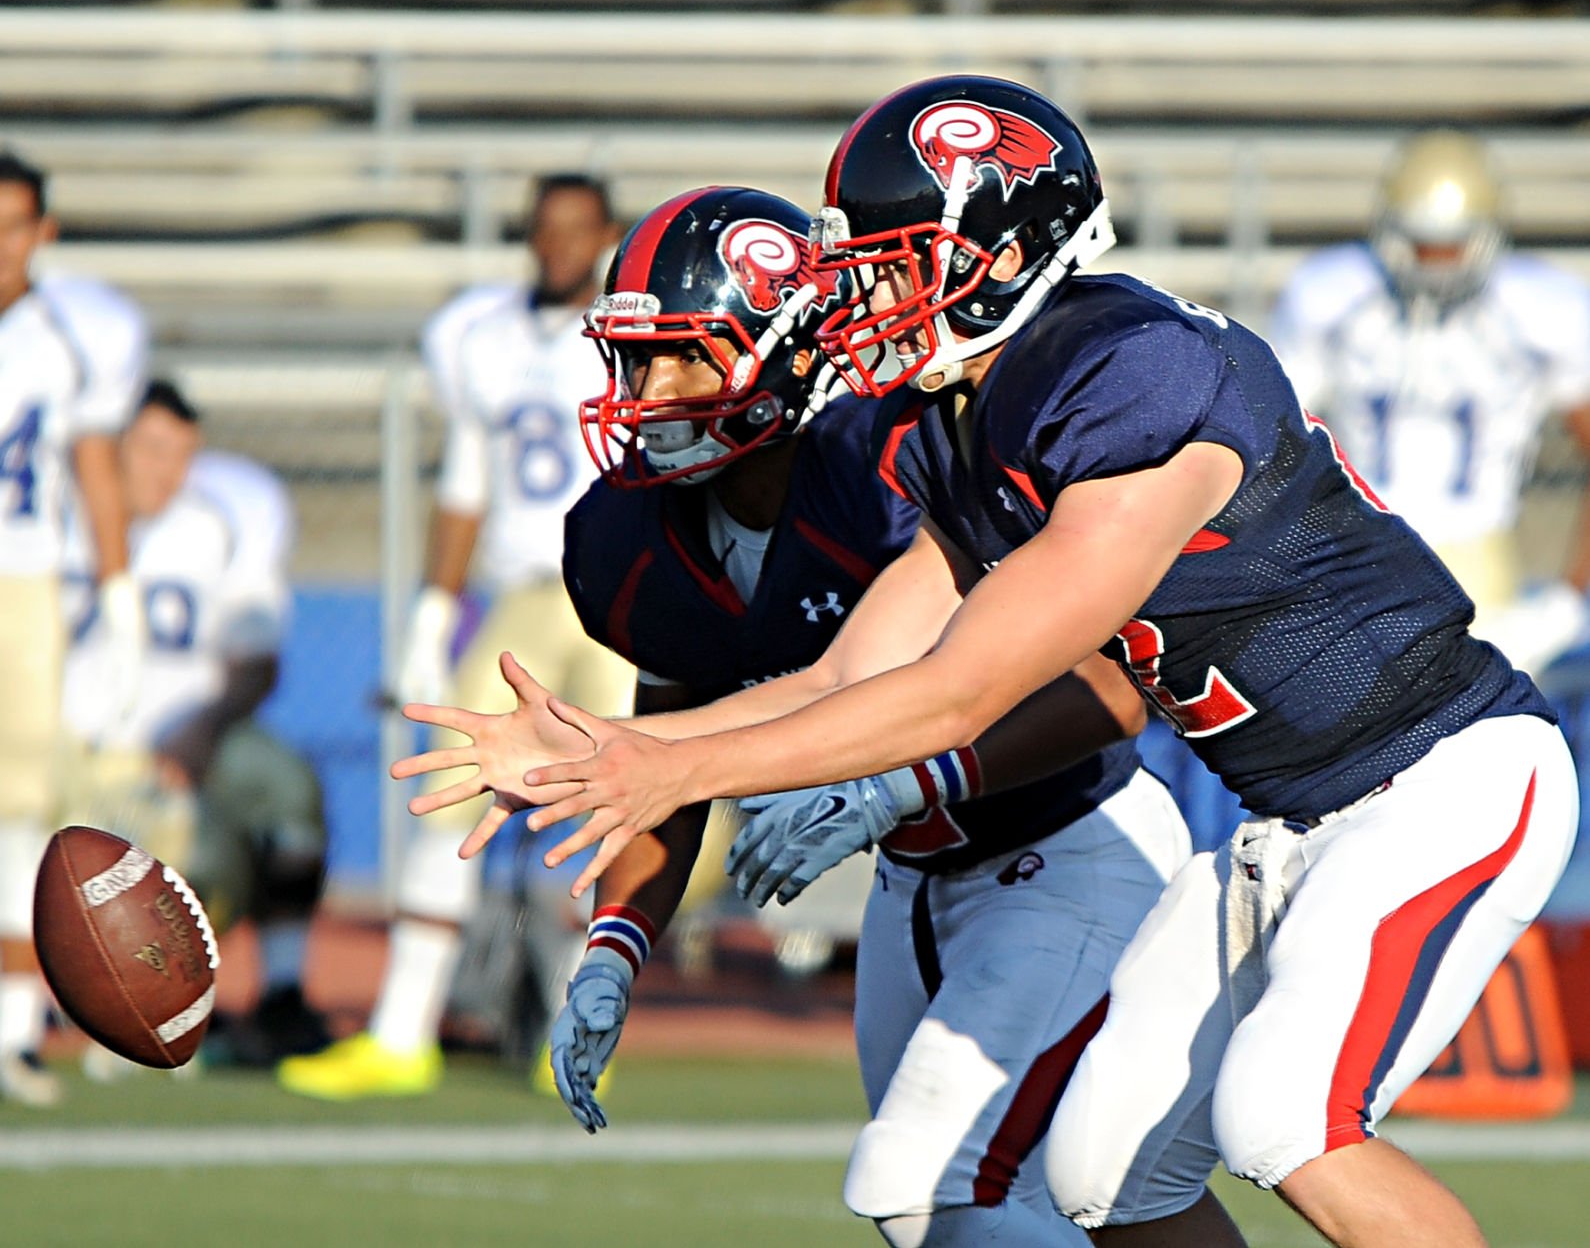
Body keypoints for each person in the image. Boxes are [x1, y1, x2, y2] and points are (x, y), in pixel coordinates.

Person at [401, 76, 1578, 1248]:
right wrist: (620, 750)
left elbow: (959, 690)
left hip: (1439, 774)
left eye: (893, 260)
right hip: (1287, 820)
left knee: (1285, 1119)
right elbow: (843, 678)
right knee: (1103, 1168)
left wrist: (682, 771)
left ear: (1003, 251)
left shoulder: (1126, 376)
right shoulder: (967, 419)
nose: (861, 289)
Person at [458, 184, 1192, 1246]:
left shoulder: (893, 465)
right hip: (912, 882)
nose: (649, 391)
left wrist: (910, 778)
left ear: (787, 348)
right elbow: (678, 751)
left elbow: (1107, 685)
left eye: (685, 356)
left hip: (1069, 848)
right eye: (635, 360)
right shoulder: (624, 541)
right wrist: (617, 943)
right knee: (1076, 1209)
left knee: (933, 1184)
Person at [278, 173, 635, 1100]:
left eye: (576, 231)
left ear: (607, 234)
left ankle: (578, 1034)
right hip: (524, 589)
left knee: (616, 808)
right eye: (544, 230)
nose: (558, 248)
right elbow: (466, 482)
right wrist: (433, 615)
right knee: (449, 786)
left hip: (627, 588)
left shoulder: (641, 329)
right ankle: (402, 1032)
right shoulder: (481, 336)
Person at [60, 379, 331, 1069]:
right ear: (112, 444)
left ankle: (278, 991)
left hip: (185, 753)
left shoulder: (217, 523)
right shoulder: (56, 519)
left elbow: (259, 661)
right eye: (150, 449)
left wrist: (203, 730)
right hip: (73, 755)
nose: (165, 471)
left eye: (182, 454)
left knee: (286, 791)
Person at [1270, 129, 1590, 676]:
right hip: (1356, 551)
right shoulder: (1332, 293)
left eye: (1453, 245)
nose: (1437, 262)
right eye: (1422, 243)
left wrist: (1569, 597)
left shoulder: (1542, 307)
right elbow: (1274, 444)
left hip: (1481, 560)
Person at [0, 148, 142, 1106]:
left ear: (43, 233)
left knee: (18, 811)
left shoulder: (73, 331)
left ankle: (10, 1029)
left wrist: (119, 590)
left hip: (22, 578)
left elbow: (94, 461)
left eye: (11, 222)